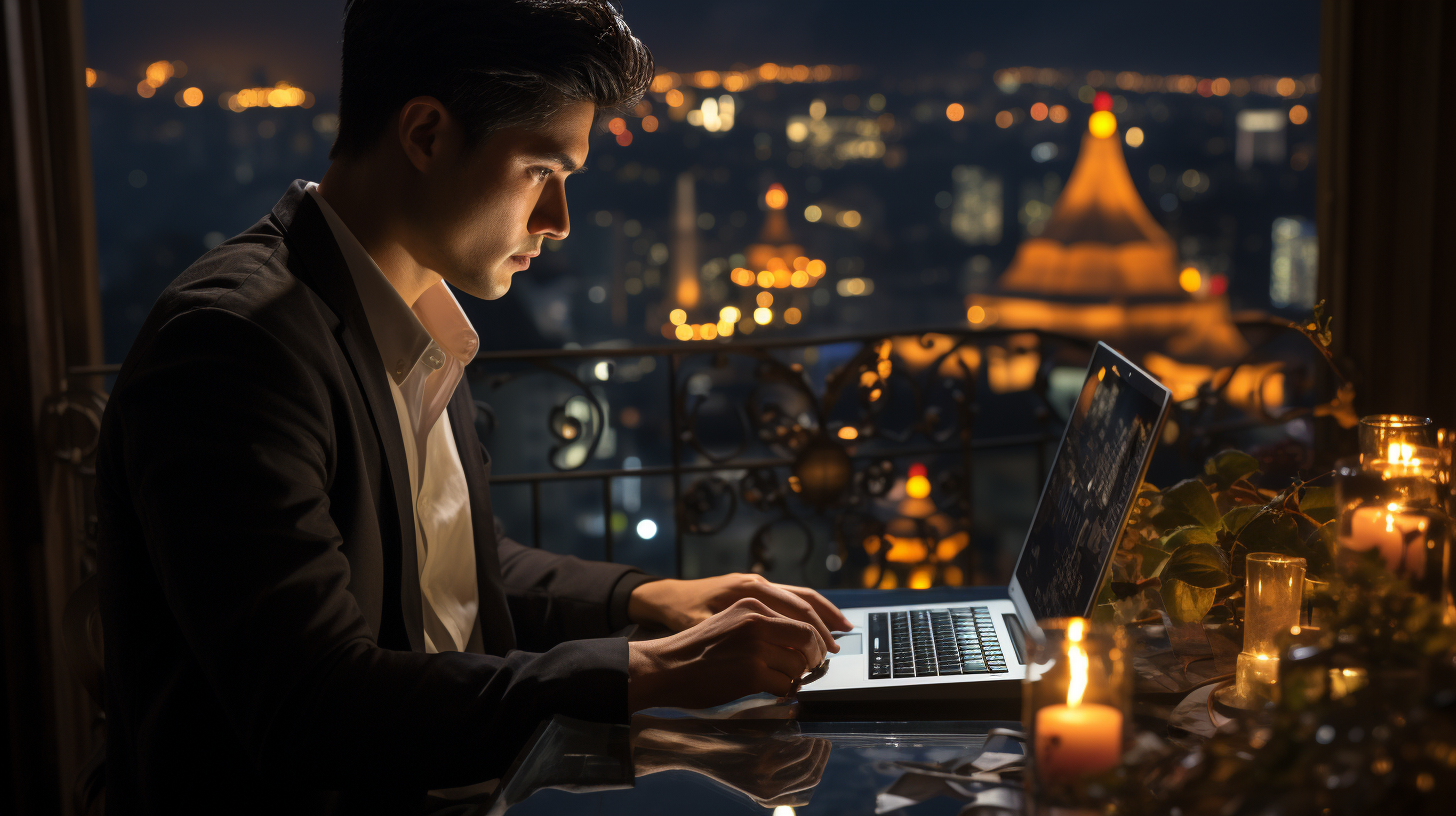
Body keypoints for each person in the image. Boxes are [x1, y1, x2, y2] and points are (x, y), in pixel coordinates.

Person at [94, 1, 851, 812]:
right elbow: (306, 704)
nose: (557, 222)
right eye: (541, 173)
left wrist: (651, 599)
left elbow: (457, 565)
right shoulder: (236, 343)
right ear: (424, 135)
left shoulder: (408, 314)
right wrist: (657, 670)